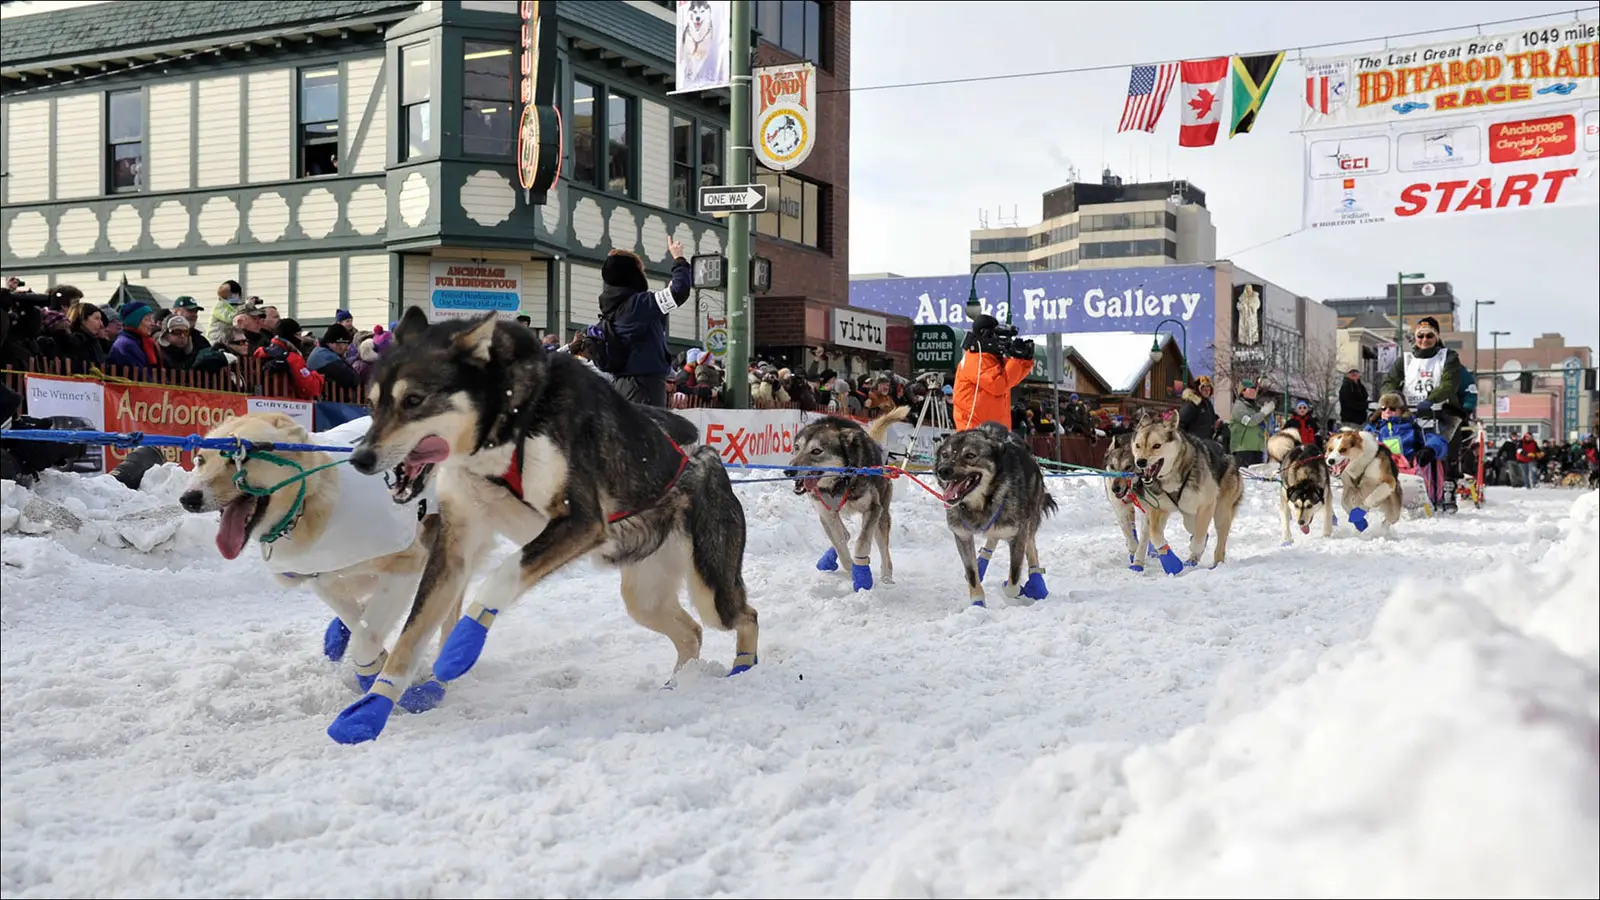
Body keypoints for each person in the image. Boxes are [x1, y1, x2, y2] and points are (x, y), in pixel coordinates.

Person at [593, 237, 691, 407]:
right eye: (640, 270)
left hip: (626, 385)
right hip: (643, 388)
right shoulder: (638, 305)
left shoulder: (617, 306)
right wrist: (679, 258)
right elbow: (679, 291)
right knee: (646, 425)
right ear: (632, 274)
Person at [1381, 315, 1465, 512]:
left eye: (1429, 336)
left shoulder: (1448, 357)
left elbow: (1449, 383)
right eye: (1420, 336)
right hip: (1411, 412)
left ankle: (1448, 487)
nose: (1424, 340)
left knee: (1443, 446)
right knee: (1405, 446)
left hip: (1442, 411)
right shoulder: (1406, 360)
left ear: (1436, 337)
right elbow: (1390, 382)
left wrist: (1432, 399)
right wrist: (1392, 398)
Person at [950, 313, 1034, 430]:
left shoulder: (991, 358)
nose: (1000, 341)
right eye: (996, 335)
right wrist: (1016, 359)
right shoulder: (976, 359)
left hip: (994, 429)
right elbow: (998, 385)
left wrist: (1024, 359)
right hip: (975, 429)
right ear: (986, 334)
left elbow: (1011, 379)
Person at [1367, 392, 1450, 500]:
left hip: (1408, 474)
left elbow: (1438, 441)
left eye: (1392, 408)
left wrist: (1430, 449)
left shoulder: (1412, 429)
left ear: (1401, 411)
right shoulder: (1372, 430)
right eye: (1384, 408)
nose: (1387, 411)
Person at [1177, 375, 1219, 443]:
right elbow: (1181, 424)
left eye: (1208, 387)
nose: (1206, 390)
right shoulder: (1191, 404)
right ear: (1198, 389)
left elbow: (1206, 416)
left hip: (1206, 443)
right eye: (1203, 388)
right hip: (1194, 444)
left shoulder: (1207, 403)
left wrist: (1216, 419)